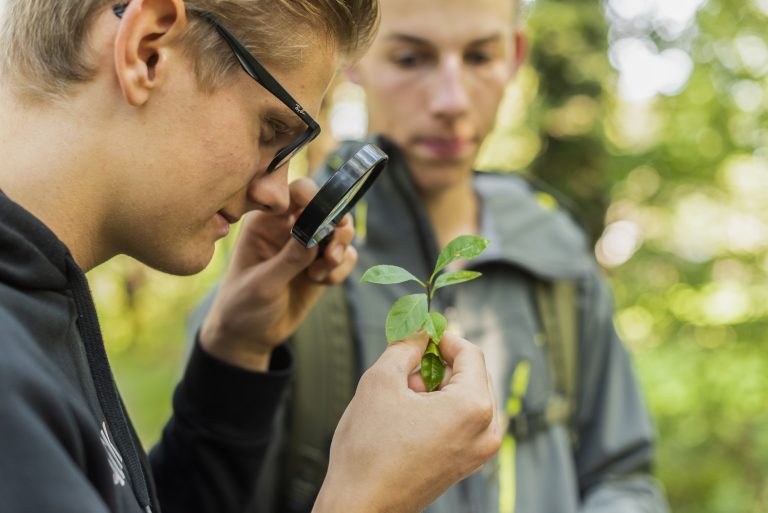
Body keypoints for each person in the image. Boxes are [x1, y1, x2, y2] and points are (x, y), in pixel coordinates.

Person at [0, 1, 502, 513]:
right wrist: (364, 501)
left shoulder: (41, 303)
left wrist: (235, 357)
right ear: (148, 50)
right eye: (271, 132)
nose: (276, 195)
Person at [252, 0, 671, 512]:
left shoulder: (555, 251)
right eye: (411, 59)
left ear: (515, 55)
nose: (451, 100)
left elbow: (621, 475)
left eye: (478, 56)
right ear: (353, 60)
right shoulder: (290, 269)